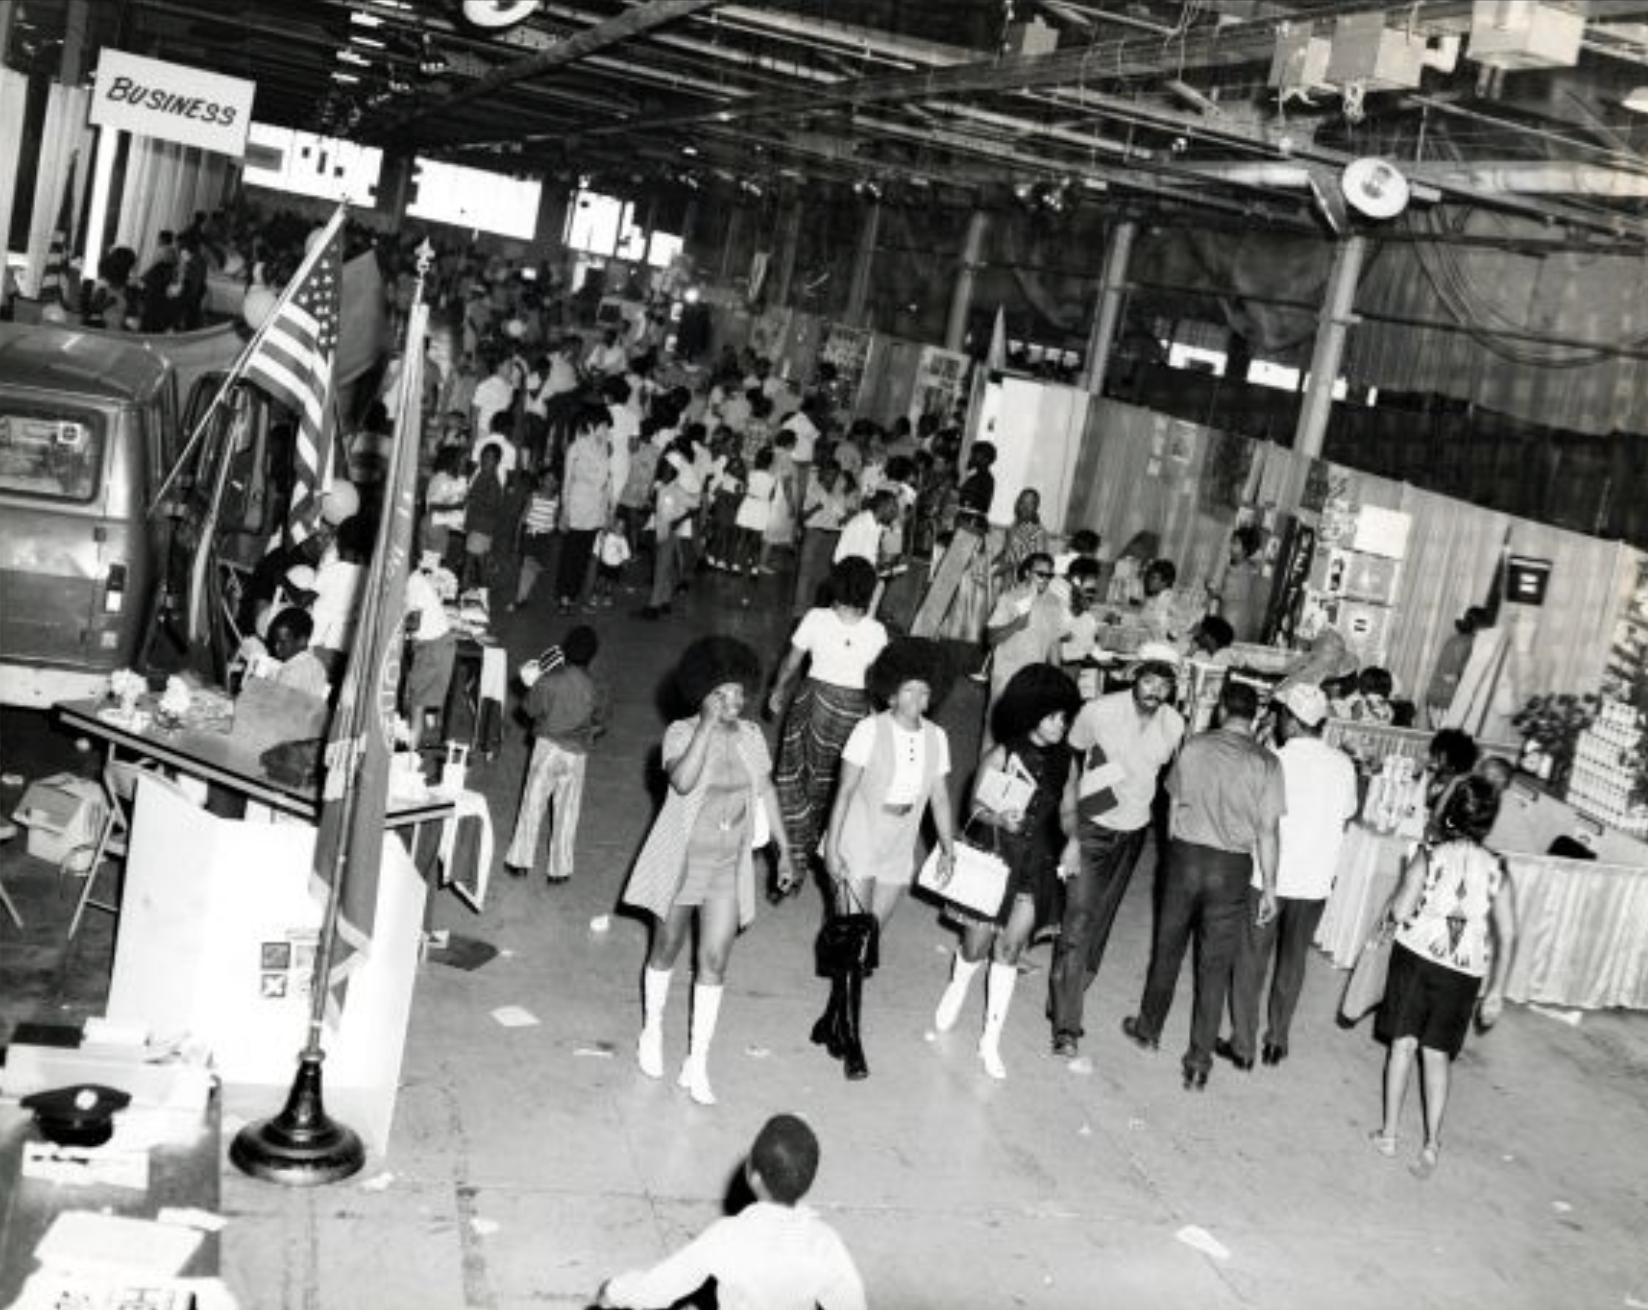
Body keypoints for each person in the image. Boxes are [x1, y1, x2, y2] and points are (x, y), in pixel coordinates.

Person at [621, 638, 798, 1105]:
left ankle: (697, 1061)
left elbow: (766, 791)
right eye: (722, 694)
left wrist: (783, 848)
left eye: (739, 694)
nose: (734, 703)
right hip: (683, 859)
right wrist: (705, 725)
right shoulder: (680, 733)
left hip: (728, 863)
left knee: (715, 960)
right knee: (666, 946)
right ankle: (652, 1031)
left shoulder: (753, 737)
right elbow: (681, 781)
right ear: (702, 695)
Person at [1122, 679, 1284, 1092]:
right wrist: (1269, 888)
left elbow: (1172, 808)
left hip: (1186, 858)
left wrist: (1177, 852)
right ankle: (1198, 1062)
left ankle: (1148, 1029)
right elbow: (1267, 831)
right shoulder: (1267, 763)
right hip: (1231, 869)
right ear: (1258, 716)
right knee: (1214, 967)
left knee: (1167, 948)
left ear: (1221, 710)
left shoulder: (1193, 747)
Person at [818, 638, 956, 1080]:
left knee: (865, 942)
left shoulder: (938, 738)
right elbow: (843, 793)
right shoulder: (869, 730)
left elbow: (939, 798)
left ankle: (830, 1019)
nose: (917, 700)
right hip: (859, 831)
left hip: (901, 840)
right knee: (854, 937)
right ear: (891, 693)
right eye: (909, 691)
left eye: (925, 692)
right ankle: (851, 1040)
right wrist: (833, 848)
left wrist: (949, 847)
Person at [933, 663, 1079, 1080]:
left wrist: (1074, 840)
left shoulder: (1068, 762)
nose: (1060, 725)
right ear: (1030, 712)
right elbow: (974, 806)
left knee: (1010, 950)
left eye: (1065, 717)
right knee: (977, 945)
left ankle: (990, 1040)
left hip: (1038, 864)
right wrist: (999, 819)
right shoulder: (1003, 753)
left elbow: (1070, 811)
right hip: (997, 857)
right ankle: (958, 985)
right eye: (1053, 716)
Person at [1371, 775, 1516, 1178]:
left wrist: (1399, 896)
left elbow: (1400, 912)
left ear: (1450, 810)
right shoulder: (1497, 868)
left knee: (1402, 1048)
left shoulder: (1428, 854)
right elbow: (1508, 932)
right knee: (1436, 1056)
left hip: (1416, 960)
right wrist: (1497, 992)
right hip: (1463, 974)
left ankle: (1388, 1135)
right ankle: (1432, 1143)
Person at [1049, 645, 1186, 1065]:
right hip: (1091, 826)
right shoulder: (1099, 711)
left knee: (1100, 926)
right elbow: (1068, 759)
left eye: (1163, 684)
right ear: (1134, 677)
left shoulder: (1174, 723)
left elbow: (1174, 786)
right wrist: (1069, 825)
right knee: (1079, 921)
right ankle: (1067, 1028)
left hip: (1133, 834)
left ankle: (1065, 992)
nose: (1154, 690)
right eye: (1148, 680)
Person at [597, 1113, 866, 1310]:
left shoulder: (730, 1236)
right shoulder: (824, 1242)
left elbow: (659, 1288)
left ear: (753, 1176)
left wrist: (613, 1291)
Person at [1221, 683, 1357, 1069]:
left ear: (1293, 721)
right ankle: (1277, 1040)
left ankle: (1243, 1045)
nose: (1279, 721)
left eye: (1282, 715)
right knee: (1293, 960)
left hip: (1269, 879)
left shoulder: (1271, 760)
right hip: (1315, 882)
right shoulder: (1343, 765)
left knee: (1251, 960)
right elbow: (1346, 814)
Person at [770, 558, 889, 879]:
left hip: (813, 705)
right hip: (854, 714)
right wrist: (878, 722)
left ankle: (791, 856)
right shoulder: (877, 632)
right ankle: (826, 851)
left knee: (796, 778)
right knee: (840, 785)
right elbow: (880, 684)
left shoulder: (816, 618)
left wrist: (778, 689)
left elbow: (791, 662)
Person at [505, 626, 604, 882]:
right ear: (592, 656)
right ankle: (559, 870)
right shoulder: (596, 687)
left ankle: (520, 862)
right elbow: (601, 720)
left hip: (547, 748)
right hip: (576, 754)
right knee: (568, 811)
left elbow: (529, 709)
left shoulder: (550, 681)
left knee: (532, 803)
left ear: (566, 651)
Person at [982, 552, 1067, 752]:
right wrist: (1016, 625)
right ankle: (986, 779)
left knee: (1025, 737)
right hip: (1006, 678)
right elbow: (991, 638)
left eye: (1049, 576)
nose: (1045, 580)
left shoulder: (1053, 603)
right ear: (1027, 573)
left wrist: (1058, 681)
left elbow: (1054, 643)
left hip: (1033, 681)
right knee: (995, 735)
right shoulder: (1009, 599)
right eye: (1040, 574)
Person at [558, 407, 612, 614]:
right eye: (604, 426)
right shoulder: (576, 448)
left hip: (596, 509)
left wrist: (608, 511)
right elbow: (567, 480)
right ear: (591, 426)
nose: (607, 430)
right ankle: (564, 597)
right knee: (570, 554)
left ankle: (574, 595)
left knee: (585, 555)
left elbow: (608, 482)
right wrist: (564, 510)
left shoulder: (605, 448)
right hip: (577, 506)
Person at [404, 566, 456, 746]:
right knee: (418, 700)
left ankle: (409, 756)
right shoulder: (415, 579)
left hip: (432, 647)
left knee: (416, 702)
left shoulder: (413, 582)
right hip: (434, 644)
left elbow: (413, 622)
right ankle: (415, 743)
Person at [791, 462, 853, 616]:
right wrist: (816, 508)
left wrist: (846, 517)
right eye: (828, 473)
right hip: (814, 533)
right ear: (822, 474)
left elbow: (841, 520)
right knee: (805, 573)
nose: (831, 477)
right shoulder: (814, 490)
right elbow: (802, 516)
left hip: (832, 535)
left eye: (834, 474)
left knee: (822, 574)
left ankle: (814, 609)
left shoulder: (839, 494)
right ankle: (799, 611)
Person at [1425, 606, 1489, 727]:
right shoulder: (1471, 643)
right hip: (1447, 700)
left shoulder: (1455, 639)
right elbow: (1458, 675)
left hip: (1437, 698)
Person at [509, 465, 560, 612]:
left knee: (536, 568)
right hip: (531, 535)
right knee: (528, 566)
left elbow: (554, 520)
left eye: (553, 480)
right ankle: (519, 599)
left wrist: (554, 530)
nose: (550, 483)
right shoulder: (533, 497)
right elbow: (522, 518)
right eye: (547, 479)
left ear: (557, 484)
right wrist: (517, 538)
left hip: (545, 539)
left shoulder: (556, 500)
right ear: (541, 481)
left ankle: (524, 597)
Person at [1209, 524, 1266, 644]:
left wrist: (1214, 591)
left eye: (1235, 543)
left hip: (1234, 623)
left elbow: (1232, 594)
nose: (1231, 546)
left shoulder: (1245, 571)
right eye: (1232, 542)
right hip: (1226, 618)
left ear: (1245, 550)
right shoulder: (1235, 566)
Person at [463, 443, 505, 594]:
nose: (484, 460)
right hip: (479, 527)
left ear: (497, 462)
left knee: (472, 563)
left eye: (489, 458)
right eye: (483, 457)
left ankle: (473, 592)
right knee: (479, 563)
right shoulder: (482, 475)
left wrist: (472, 499)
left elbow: (493, 507)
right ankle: (481, 592)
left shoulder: (492, 481)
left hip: (481, 527)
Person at [264, 608, 330, 699]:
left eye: (282, 642)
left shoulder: (292, 669)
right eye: (275, 641)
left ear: (302, 640)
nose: (276, 647)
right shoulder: (319, 667)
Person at [834, 490, 898, 568]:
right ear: (882, 506)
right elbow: (844, 559)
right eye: (892, 509)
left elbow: (868, 558)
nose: (895, 513)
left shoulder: (878, 526)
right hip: (849, 574)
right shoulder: (861, 524)